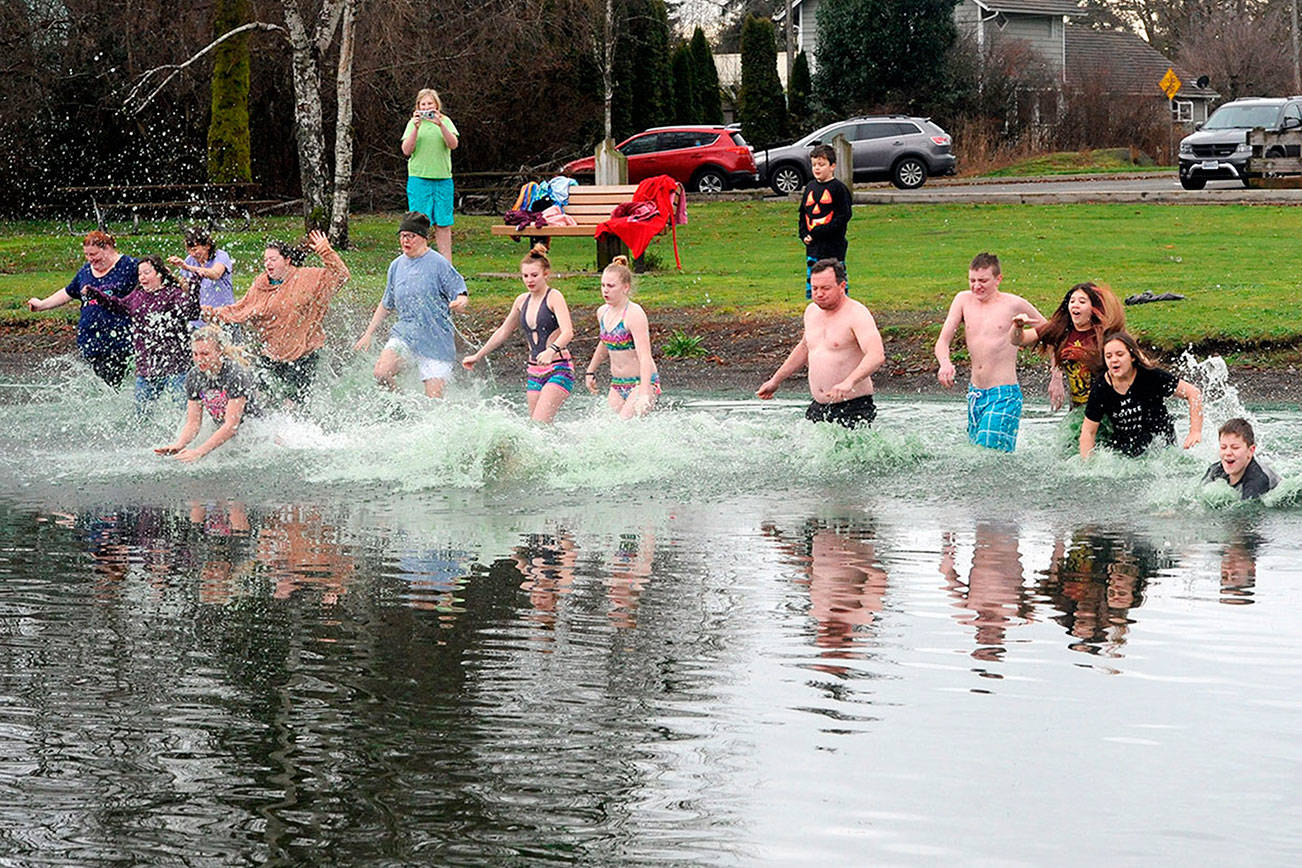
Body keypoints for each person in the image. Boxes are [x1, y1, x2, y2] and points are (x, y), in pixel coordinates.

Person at [206, 230, 349, 406]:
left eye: (273, 259)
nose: (268, 264)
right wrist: (210, 313)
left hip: (304, 353)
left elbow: (341, 276)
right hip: (271, 354)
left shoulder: (308, 277)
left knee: (292, 405)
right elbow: (240, 309)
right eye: (265, 260)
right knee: (260, 397)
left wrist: (325, 251)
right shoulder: (261, 285)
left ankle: (301, 430)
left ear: (287, 260)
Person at [935, 252, 1046, 452]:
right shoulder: (962, 300)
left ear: (998, 279)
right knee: (976, 457)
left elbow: (1051, 331)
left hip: (1004, 394)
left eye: (983, 281)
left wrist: (1056, 375)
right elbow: (943, 341)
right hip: (975, 394)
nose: (977, 286)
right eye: (972, 280)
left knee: (987, 455)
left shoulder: (1014, 304)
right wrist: (945, 363)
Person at [756, 258, 885, 428]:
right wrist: (776, 380)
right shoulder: (811, 311)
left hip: (853, 406)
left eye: (825, 288)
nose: (819, 294)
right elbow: (804, 347)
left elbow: (876, 355)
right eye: (815, 288)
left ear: (842, 286)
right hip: (819, 406)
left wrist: (849, 382)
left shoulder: (857, 314)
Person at [354, 211, 468, 399]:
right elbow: (386, 303)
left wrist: (461, 302)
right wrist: (368, 333)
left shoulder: (439, 264)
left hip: (436, 339)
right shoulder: (396, 266)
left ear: (423, 238)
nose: (405, 241)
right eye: (402, 236)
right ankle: (405, 407)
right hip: (406, 334)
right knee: (381, 373)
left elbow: (460, 292)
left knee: (434, 402)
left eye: (411, 236)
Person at [461, 244, 574, 422]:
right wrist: (478, 355)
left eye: (534, 275)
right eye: (525, 276)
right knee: (537, 428)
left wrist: (551, 350)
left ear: (546, 274)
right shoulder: (521, 301)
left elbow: (568, 332)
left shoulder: (554, 297)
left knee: (540, 423)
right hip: (534, 371)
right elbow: (503, 331)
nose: (529, 280)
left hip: (558, 368)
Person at [81, 254, 198, 416]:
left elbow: (192, 312)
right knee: (141, 417)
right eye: (140, 274)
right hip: (147, 368)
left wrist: (194, 285)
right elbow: (118, 305)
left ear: (159, 274)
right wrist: (97, 295)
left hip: (176, 366)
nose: (142, 277)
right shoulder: (137, 296)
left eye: (147, 273)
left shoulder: (173, 294)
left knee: (183, 414)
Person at [27, 230, 137, 387]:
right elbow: (68, 292)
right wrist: (42, 305)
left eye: (93, 254)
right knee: (100, 389)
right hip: (91, 341)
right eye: (87, 255)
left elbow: (151, 278)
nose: (90, 259)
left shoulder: (129, 266)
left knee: (115, 386)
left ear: (107, 248)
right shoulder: (85, 271)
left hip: (118, 341)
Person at [1079, 331, 1202, 458]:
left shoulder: (1151, 376)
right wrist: (1087, 465)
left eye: (1120, 354)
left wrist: (1195, 432)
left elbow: (1193, 393)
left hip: (1163, 451)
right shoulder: (1101, 388)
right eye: (1108, 356)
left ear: (1132, 357)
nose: (1114, 360)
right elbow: (1088, 432)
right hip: (1125, 457)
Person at [1009, 281, 1125, 410]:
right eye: (1072, 301)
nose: (1075, 305)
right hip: (1078, 410)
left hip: (1109, 406)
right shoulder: (1060, 329)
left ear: (1093, 308)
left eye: (1082, 302)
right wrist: (1017, 326)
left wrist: (1086, 356)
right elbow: (1018, 340)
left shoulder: (1104, 334)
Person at [155, 325, 260, 463]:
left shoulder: (235, 374)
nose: (199, 359)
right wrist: (179, 444)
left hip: (254, 432)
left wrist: (199, 451)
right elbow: (193, 423)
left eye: (205, 354)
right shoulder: (194, 376)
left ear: (219, 352)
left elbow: (231, 425)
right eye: (195, 354)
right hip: (225, 431)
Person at [583, 255, 660, 418]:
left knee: (625, 424)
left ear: (625, 287)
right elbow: (605, 343)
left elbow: (645, 356)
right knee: (611, 430)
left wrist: (645, 393)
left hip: (641, 382)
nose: (605, 290)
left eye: (611, 286)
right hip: (617, 384)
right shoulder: (602, 312)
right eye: (603, 285)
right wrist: (590, 371)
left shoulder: (634, 314)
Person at [401, 87, 459, 262]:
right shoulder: (413, 124)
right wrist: (416, 128)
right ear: (418, 106)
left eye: (430, 104)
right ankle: (418, 260)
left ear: (437, 106)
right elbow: (406, 150)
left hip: (443, 179)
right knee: (418, 222)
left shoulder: (445, 121)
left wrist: (440, 125)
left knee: (443, 223)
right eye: (423, 104)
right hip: (419, 179)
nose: (427, 108)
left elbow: (453, 144)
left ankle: (446, 264)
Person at [798, 144, 852, 300]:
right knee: (815, 282)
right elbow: (803, 214)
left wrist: (819, 231)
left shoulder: (839, 189)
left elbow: (843, 216)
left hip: (833, 247)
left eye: (821, 165)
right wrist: (804, 234)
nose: (817, 168)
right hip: (813, 248)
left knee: (836, 280)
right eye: (814, 165)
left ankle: (842, 307)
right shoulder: (810, 187)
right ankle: (816, 308)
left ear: (832, 166)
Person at [1202, 417, 1279, 500]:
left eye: (1235, 448)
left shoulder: (1257, 480)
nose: (1228, 453)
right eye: (1223, 447)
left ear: (1250, 451)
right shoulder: (1215, 470)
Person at [168, 227, 234, 312]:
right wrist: (169, 276)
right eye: (188, 250)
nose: (192, 254)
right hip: (199, 318)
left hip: (222, 314)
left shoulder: (221, 256)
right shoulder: (190, 260)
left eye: (195, 250)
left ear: (207, 246)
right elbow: (185, 288)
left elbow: (215, 274)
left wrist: (188, 268)